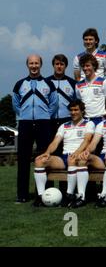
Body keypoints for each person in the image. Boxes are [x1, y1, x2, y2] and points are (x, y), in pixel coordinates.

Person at [12, 55, 58, 203]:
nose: (34, 66)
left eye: (36, 63)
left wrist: (44, 116)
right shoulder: (19, 84)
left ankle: (47, 193)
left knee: (45, 158)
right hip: (25, 123)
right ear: (27, 65)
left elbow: (53, 104)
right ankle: (22, 195)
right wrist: (24, 115)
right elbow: (16, 105)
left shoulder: (48, 84)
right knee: (23, 159)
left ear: (41, 65)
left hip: (44, 123)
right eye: (31, 63)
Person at [32, 100, 95, 207]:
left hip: (79, 157)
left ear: (82, 111)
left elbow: (87, 140)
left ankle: (69, 195)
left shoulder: (89, 123)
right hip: (64, 157)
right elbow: (55, 142)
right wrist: (47, 152)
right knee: (39, 161)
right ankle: (41, 196)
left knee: (72, 159)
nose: (73, 112)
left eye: (76, 110)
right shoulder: (64, 125)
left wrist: (76, 153)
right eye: (71, 110)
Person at [46, 54, 77, 141]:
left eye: (62, 64)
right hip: (50, 121)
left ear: (65, 66)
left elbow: (76, 103)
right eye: (57, 64)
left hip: (68, 120)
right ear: (53, 65)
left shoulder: (73, 83)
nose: (59, 66)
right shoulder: (45, 82)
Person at [75, 54, 106, 125]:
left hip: (100, 119)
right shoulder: (78, 85)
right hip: (85, 120)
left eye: (87, 65)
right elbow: (80, 104)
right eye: (83, 66)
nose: (85, 68)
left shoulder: (103, 82)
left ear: (94, 66)